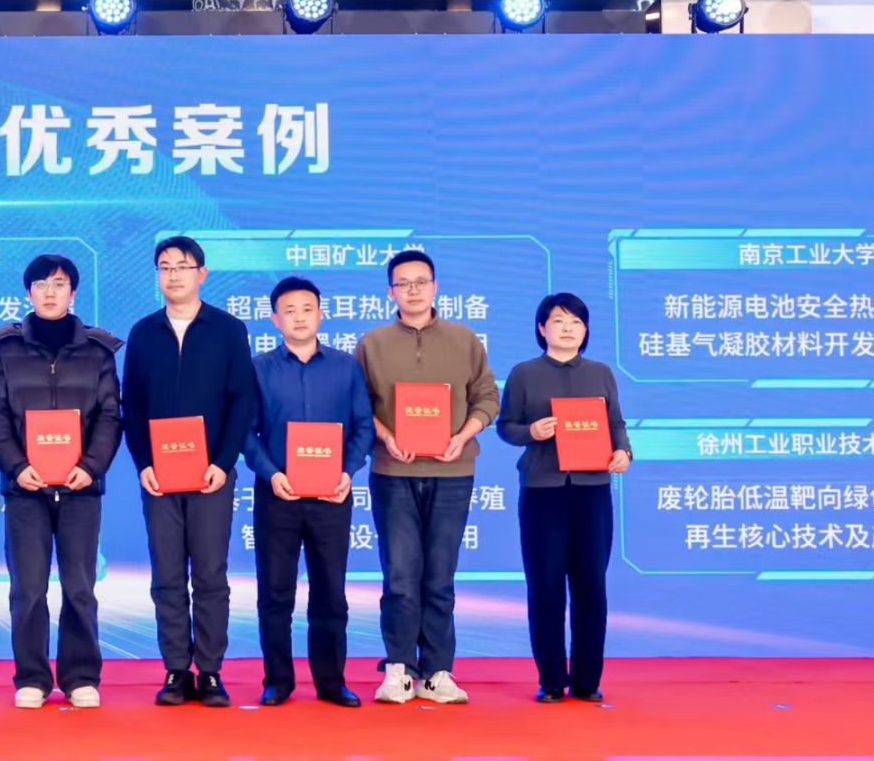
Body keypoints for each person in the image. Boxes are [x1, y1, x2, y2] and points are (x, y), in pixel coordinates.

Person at [0, 253, 122, 709]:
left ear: (72, 292)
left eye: (59, 284)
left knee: (80, 587)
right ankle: (33, 677)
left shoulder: (98, 351)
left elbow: (110, 416)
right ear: (28, 292)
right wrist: (17, 467)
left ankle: (80, 676)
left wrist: (91, 466)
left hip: (81, 488)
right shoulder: (5, 350)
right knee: (28, 588)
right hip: (26, 488)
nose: (49, 292)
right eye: (40, 284)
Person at [357, 249, 498, 705]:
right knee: (400, 575)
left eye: (421, 282)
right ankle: (399, 667)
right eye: (403, 283)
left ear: (435, 287)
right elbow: (358, 404)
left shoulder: (464, 339)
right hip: (393, 471)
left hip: (453, 471)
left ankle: (437, 671)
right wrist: (385, 436)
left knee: (439, 575)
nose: (413, 290)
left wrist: (462, 435)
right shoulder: (373, 343)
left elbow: (487, 398)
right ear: (390, 293)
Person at [120, 236, 257, 708]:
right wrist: (143, 463)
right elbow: (132, 404)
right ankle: (176, 669)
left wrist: (224, 462)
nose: (173, 274)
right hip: (159, 476)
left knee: (211, 574)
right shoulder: (144, 332)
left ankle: (211, 670)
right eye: (164, 266)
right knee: (167, 575)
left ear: (202, 273)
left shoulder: (228, 329)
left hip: (211, 474)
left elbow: (242, 399)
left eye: (182, 266)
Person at [243, 276, 374, 708]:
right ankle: (277, 681)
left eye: (307, 309)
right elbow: (246, 431)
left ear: (321, 314)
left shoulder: (345, 366)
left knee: (331, 593)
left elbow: (362, 426)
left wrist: (347, 472)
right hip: (277, 495)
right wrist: (270, 473)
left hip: (331, 496)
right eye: (289, 311)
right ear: (274, 319)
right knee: (275, 593)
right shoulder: (258, 368)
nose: (299, 318)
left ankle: (332, 681)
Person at [497, 292, 632, 704]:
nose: (567, 328)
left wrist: (623, 452)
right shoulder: (524, 373)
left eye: (575, 321)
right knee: (546, 585)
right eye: (558, 320)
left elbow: (615, 422)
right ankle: (552, 679)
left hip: (592, 491)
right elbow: (506, 426)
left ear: (585, 329)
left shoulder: (601, 373)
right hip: (543, 491)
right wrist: (531, 432)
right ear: (542, 329)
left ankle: (588, 680)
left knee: (591, 584)